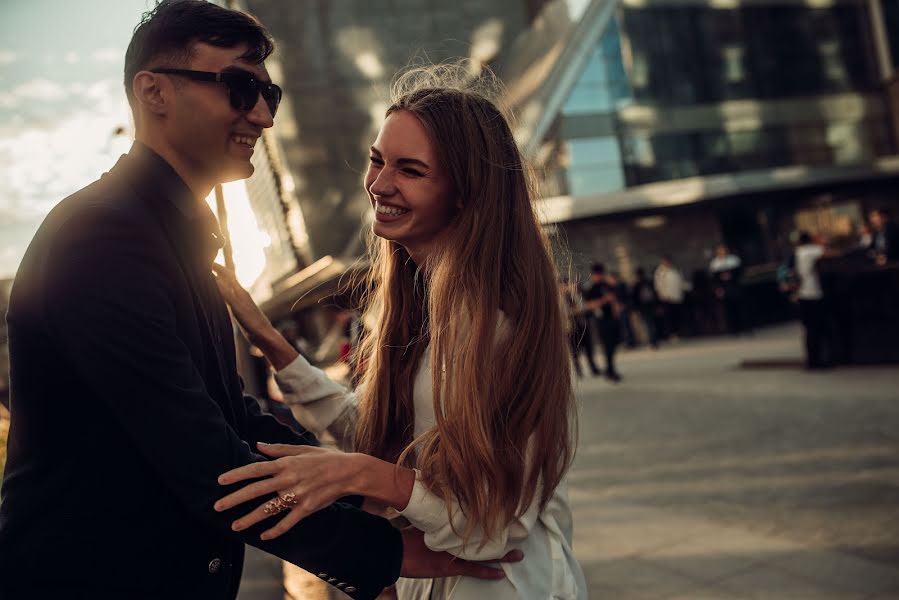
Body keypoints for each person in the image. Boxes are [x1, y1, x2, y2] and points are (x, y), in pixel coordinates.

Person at [0, 3, 511, 598]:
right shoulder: (104, 235)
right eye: (241, 87)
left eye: (272, 93)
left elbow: (230, 413)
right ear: (153, 91)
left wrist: (357, 491)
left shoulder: (168, 233)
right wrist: (388, 550)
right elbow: (201, 452)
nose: (264, 115)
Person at [211, 65, 586, 599]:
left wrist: (361, 475)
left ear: (464, 193)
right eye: (377, 160)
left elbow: (493, 527)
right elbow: (371, 431)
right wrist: (267, 338)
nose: (379, 185)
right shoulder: (421, 309)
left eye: (410, 170)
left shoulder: (501, 326)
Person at [794, 232, 834, 368]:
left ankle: (812, 359)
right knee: (819, 327)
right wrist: (823, 243)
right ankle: (819, 359)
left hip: (803, 293)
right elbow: (828, 254)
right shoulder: (811, 251)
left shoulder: (799, 252)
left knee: (809, 329)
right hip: (814, 293)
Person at [583, 263, 623, 381]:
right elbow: (589, 305)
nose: (599, 276)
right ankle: (610, 369)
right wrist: (604, 300)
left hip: (613, 318)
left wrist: (617, 309)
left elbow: (616, 300)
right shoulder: (592, 289)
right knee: (607, 345)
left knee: (614, 344)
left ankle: (610, 368)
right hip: (602, 320)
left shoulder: (608, 285)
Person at [560, 277, 602, 377]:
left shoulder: (576, 295)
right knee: (574, 350)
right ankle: (578, 370)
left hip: (582, 324)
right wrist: (576, 310)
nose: (567, 288)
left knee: (589, 347)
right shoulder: (560, 299)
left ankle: (593, 368)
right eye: (565, 285)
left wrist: (574, 294)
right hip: (570, 327)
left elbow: (583, 306)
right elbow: (563, 312)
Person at [709, 243, 745, 334]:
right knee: (729, 310)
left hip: (734, 286)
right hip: (724, 288)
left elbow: (740, 273)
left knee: (740, 308)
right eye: (720, 251)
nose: (722, 252)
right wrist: (718, 289)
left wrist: (731, 276)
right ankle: (733, 329)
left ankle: (744, 327)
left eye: (723, 250)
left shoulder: (734, 260)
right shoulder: (715, 263)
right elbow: (714, 279)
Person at [653, 255, 687, 341]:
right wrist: (662, 295)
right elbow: (658, 285)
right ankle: (671, 334)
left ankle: (678, 332)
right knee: (669, 317)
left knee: (677, 316)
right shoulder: (660, 272)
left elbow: (681, 282)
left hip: (677, 297)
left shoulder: (675, 270)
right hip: (667, 297)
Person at [630, 267, 659, 348]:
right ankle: (653, 340)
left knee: (648, 324)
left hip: (643, 307)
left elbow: (634, 297)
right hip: (650, 306)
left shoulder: (637, 284)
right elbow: (655, 294)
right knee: (651, 323)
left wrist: (635, 308)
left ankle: (652, 341)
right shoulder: (649, 282)